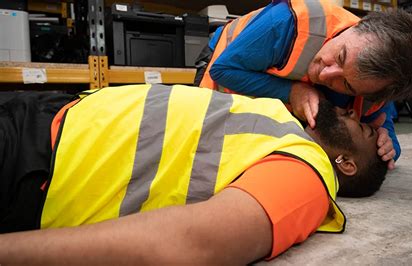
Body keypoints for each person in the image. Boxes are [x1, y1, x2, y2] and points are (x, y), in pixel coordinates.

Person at [0, 84, 387, 264]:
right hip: (50, 115)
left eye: (365, 130)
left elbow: (192, 245)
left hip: (35, 160)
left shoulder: (308, 174)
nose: (355, 114)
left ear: (347, 164)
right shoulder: (284, 121)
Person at [194, 0, 412, 170]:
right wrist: (292, 91)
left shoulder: (373, 87)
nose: (326, 74)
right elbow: (223, 70)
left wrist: (388, 146)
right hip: (221, 66)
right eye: (340, 56)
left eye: (345, 83)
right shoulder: (288, 22)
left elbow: (382, 126)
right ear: (356, 25)